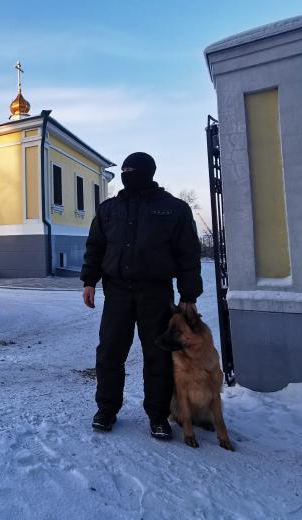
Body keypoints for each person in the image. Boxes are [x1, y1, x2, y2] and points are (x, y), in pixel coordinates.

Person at [80, 152, 202, 439]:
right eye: (125, 170)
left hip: (156, 292)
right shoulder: (109, 209)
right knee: (110, 352)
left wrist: (189, 294)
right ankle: (107, 409)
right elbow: (95, 246)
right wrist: (89, 280)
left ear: (149, 172)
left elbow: (188, 254)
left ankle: (158, 415)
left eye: (133, 170)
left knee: (158, 354)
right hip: (117, 292)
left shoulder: (174, 209)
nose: (128, 174)